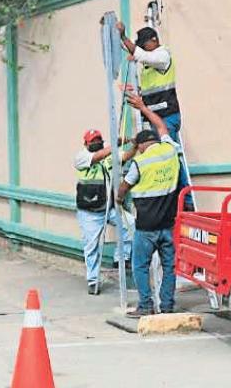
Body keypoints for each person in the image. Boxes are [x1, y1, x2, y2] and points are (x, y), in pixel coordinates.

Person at [118, 91, 183, 317]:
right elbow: (162, 126)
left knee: (140, 266)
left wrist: (118, 198)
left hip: (146, 228)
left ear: (142, 146)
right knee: (169, 267)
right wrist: (143, 108)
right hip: (168, 224)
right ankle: (167, 305)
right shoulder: (170, 150)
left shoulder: (140, 162)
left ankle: (146, 305)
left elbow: (124, 186)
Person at [117, 21, 193, 207]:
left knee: (170, 156)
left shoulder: (162, 55)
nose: (143, 49)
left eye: (145, 45)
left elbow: (141, 55)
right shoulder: (149, 66)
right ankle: (174, 199)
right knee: (165, 157)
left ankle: (186, 201)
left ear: (154, 40)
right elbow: (150, 87)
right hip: (155, 118)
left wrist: (123, 36)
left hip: (167, 117)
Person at [74, 128, 132, 295]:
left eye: (98, 140)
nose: (96, 143)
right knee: (92, 246)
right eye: (92, 141)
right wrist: (115, 144)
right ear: (86, 143)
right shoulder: (81, 157)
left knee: (130, 225)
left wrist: (134, 145)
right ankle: (93, 280)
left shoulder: (108, 153)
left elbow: (124, 157)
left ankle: (121, 258)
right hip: (90, 212)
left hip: (109, 207)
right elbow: (96, 157)